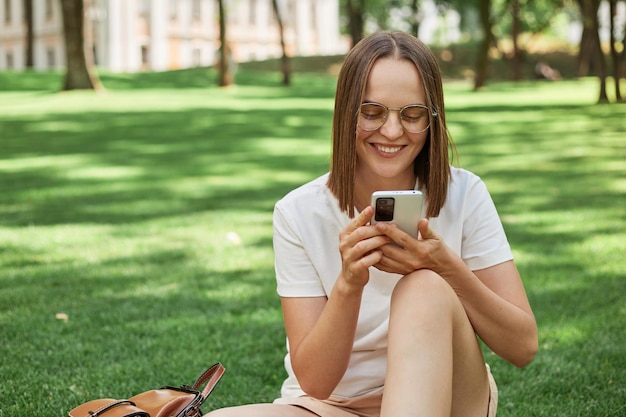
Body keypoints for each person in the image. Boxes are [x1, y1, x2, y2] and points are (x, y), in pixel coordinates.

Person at [207, 30, 538, 417]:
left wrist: (444, 267)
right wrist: (348, 284)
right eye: (372, 112)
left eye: (412, 115)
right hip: (332, 407)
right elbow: (315, 383)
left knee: (423, 287)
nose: (393, 132)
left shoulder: (465, 193)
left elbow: (522, 346)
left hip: (449, 398)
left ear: (432, 120)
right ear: (347, 113)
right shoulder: (298, 212)